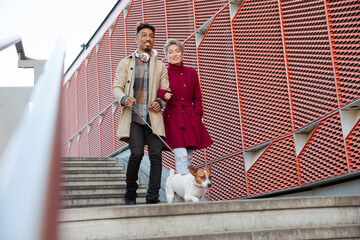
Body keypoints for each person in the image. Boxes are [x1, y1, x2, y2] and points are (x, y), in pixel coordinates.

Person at [113, 22, 170, 205]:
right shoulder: (125, 62)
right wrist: (123, 98)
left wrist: (160, 102)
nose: (148, 39)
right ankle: (130, 193)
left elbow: (165, 90)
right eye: (144, 35)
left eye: (151, 36)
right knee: (136, 154)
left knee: (156, 156)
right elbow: (116, 87)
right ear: (137, 39)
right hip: (134, 117)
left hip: (152, 118)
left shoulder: (161, 66)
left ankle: (152, 197)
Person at [159, 39, 213, 174]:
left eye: (177, 51)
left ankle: (183, 190)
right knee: (181, 155)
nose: (174, 54)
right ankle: (184, 190)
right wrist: (163, 93)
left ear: (182, 53)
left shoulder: (192, 73)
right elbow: (155, 91)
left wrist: (197, 114)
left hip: (190, 117)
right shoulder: (163, 73)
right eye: (170, 52)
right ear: (166, 56)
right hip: (173, 116)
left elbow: (197, 98)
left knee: (188, 156)